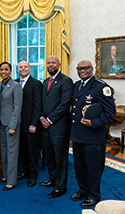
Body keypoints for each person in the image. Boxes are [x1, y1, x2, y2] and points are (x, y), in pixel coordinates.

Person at [69, 60, 116, 208]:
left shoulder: (101, 87)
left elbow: (110, 112)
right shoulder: (76, 85)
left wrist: (94, 123)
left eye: (86, 68)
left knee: (93, 168)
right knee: (79, 166)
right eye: (79, 68)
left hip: (93, 136)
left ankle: (94, 195)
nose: (82, 70)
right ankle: (83, 190)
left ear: (92, 69)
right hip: (78, 135)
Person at [39, 56, 73, 198]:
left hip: (59, 126)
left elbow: (64, 104)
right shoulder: (45, 81)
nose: (50, 65)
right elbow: (42, 103)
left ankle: (61, 186)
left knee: (60, 157)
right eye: (48, 63)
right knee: (50, 156)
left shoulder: (66, 81)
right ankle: (52, 179)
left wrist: (50, 119)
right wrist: (41, 117)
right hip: (45, 126)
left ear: (59, 64)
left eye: (53, 62)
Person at [15, 61, 42, 187]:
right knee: (21, 151)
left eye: (25, 67)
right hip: (17, 124)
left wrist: (34, 123)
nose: (23, 69)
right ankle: (24, 171)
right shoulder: (14, 82)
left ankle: (32, 175)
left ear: (29, 69)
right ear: (17, 69)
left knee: (32, 152)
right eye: (20, 67)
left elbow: (38, 106)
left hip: (30, 124)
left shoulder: (36, 84)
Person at [0, 62, 23, 191]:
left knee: (12, 152)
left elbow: (17, 107)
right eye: (1, 69)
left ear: (11, 71)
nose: (3, 72)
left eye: (6, 69)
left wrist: (13, 125)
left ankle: (11, 181)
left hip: (11, 124)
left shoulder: (16, 86)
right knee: (4, 151)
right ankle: (5, 175)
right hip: (1, 123)